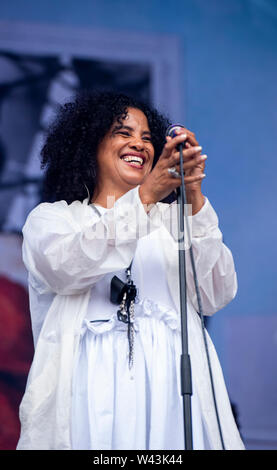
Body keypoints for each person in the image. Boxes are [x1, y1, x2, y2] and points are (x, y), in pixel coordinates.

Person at [17, 91, 244, 450]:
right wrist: (145, 197)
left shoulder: (176, 222)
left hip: (170, 392)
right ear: (90, 143)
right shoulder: (54, 219)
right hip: (89, 396)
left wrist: (195, 196)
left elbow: (217, 292)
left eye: (147, 137)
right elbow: (65, 268)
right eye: (123, 132)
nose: (138, 143)